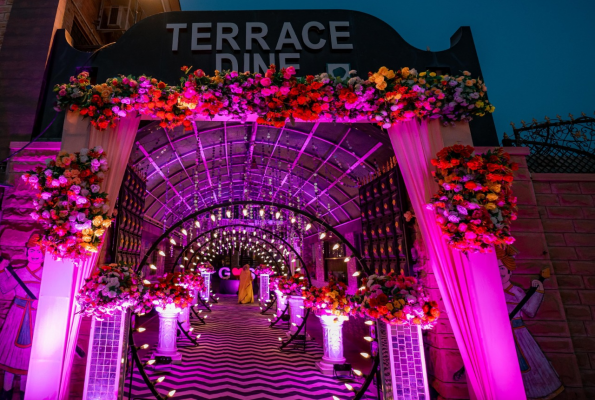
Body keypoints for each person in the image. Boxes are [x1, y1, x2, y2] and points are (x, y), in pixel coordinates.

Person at [497, 245, 564, 400]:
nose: (499, 272)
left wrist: (538, 290)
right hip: (500, 335)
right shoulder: (491, 291)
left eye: (501, 268)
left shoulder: (516, 291)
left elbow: (530, 311)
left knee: (527, 367)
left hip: (519, 335)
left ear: (509, 271)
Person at [0, 234, 44, 400]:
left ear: (44, 255)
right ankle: (5, 393)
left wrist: (41, 302)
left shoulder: (47, 276)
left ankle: (27, 395)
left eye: (39, 251)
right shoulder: (18, 272)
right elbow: (4, 288)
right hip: (16, 317)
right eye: (31, 250)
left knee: (28, 362)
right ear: (26, 252)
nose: (34, 254)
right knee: (10, 359)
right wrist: (2, 269)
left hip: (35, 319)